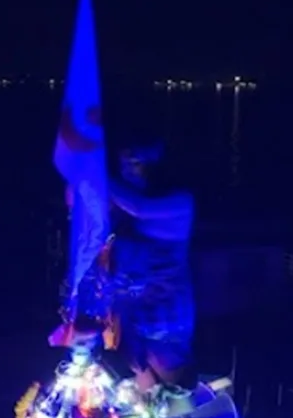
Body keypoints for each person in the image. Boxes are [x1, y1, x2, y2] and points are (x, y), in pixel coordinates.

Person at [53, 140, 198, 395]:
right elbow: (79, 201)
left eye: (136, 161)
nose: (129, 168)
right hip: (148, 303)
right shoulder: (126, 206)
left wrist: (91, 174)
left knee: (135, 357)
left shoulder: (180, 202)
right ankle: (159, 386)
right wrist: (81, 184)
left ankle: (162, 390)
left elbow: (141, 209)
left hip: (152, 303)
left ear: (157, 165)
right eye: (125, 162)